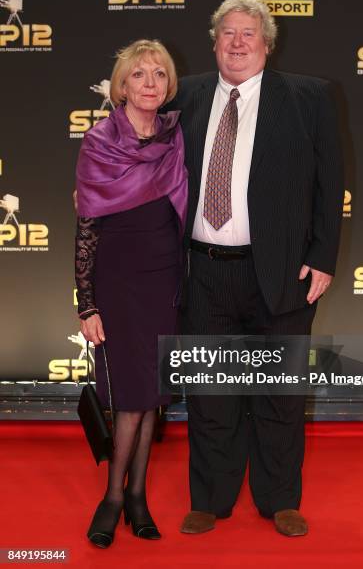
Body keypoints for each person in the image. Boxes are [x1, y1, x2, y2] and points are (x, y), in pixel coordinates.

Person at [169, 0, 344, 536]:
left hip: (282, 272)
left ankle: (279, 499)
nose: (238, 42)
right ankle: (211, 498)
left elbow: (329, 184)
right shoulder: (187, 96)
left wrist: (322, 256)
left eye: (249, 33)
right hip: (206, 272)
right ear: (215, 42)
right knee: (210, 393)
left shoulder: (309, 97)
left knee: (279, 392)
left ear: (267, 43)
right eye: (228, 33)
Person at [75, 39, 187, 548]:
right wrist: (87, 301)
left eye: (159, 75)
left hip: (165, 276)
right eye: (140, 75)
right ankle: (114, 498)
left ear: (168, 85)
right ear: (122, 85)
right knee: (129, 396)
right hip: (117, 282)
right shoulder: (99, 140)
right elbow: (86, 226)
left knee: (152, 395)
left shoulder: (176, 135)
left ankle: (137, 494)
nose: (149, 83)